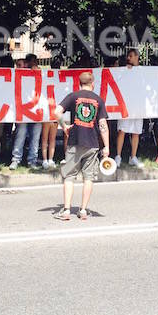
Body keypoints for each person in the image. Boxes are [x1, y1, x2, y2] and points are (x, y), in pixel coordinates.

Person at [52, 71, 109, 221]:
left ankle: (66, 211)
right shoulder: (99, 100)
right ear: (93, 84)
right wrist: (107, 147)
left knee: (69, 176)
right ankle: (83, 210)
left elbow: (57, 112)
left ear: (78, 83)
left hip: (75, 141)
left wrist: (63, 126)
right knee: (88, 177)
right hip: (92, 143)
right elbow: (103, 125)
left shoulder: (73, 96)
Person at [10, 53, 42, 169]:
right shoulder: (17, 75)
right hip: (22, 110)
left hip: (36, 110)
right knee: (20, 134)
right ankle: (16, 159)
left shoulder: (37, 73)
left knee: (35, 136)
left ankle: (32, 160)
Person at [115, 49, 144, 168]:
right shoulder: (124, 70)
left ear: (137, 57)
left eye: (131, 56)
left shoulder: (142, 71)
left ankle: (133, 157)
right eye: (128, 56)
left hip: (138, 105)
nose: (128, 58)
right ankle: (118, 156)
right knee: (122, 130)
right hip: (126, 105)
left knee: (136, 132)